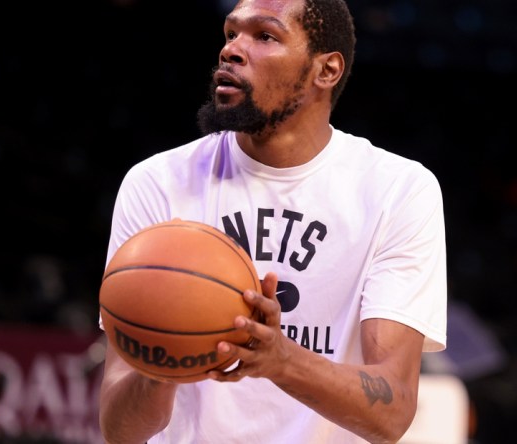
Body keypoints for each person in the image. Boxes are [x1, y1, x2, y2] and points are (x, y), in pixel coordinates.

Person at [97, 0, 447, 443]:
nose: (232, 51)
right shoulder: (157, 183)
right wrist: (163, 363)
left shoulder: (397, 190)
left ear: (327, 70)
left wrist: (281, 359)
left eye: (264, 36)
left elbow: (392, 411)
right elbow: (117, 429)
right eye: (230, 34)